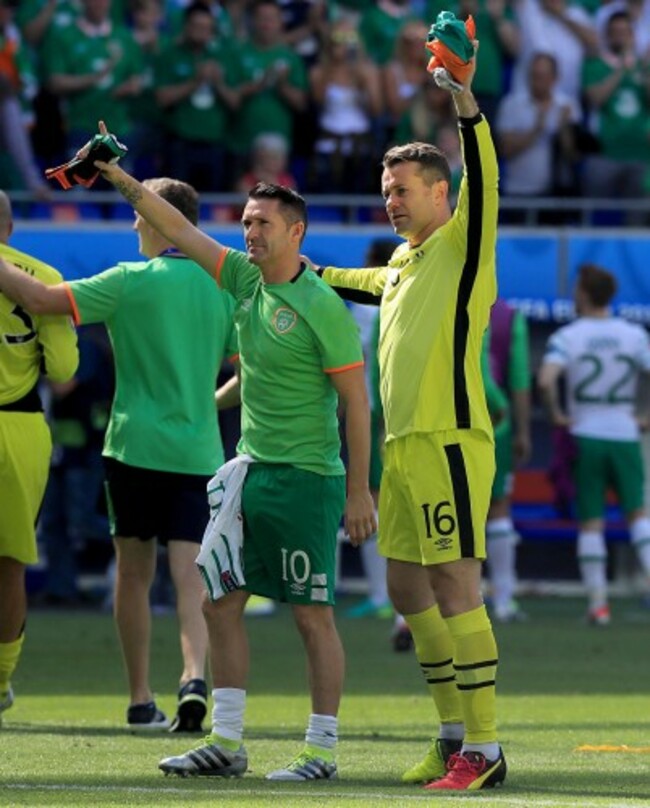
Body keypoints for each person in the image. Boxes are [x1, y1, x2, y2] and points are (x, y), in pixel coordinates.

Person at [91, 148, 376, 779]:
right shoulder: (242, 281)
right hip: (249, 472)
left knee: (311, 615)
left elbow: (357, 406)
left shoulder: (322, 305)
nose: (249, 233)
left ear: (295, 232)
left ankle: (321, 751)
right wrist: (117, 178)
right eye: (246, 222)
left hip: (306, 480)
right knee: (219, 603)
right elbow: (180, 229)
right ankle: (227, 743)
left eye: (263, 224)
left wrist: (360, 491)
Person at [314, 39, 506, 791]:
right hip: (402, 451)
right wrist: (290, 269)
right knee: (403, 589)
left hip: (450, 445)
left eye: (403, 188)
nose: (391, 199)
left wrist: (463, 100)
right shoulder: (399, 265)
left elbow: (486, 174)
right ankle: (453, 736)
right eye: (385, 188)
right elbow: (344, 280)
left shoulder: (464, 243)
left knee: (457, 586)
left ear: (440, 193)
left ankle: (485, 753)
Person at [0, 177, 238, 733]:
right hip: (198, 447)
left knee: (132, 575)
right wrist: (209, 400)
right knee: (189, 574)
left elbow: (37, 299)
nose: (133, 223)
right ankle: (193, 677)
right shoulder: (222, 288)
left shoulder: (129, 281)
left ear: (157, 217)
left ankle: (138, 698)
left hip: (132, 445)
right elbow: (246, 370)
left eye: (138, 214)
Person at [0, 190, 79, 725]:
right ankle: (1, 680)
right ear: (9, 224)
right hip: (17, 428)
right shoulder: (41, 275)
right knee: (9, 565)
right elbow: (64, 369)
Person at [538, 263, 650, 626]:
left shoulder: (568, 336)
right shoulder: (633, 334)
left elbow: (545, 380)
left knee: (591, 523)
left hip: (585, 433)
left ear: (584, 293)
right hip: (625, 433)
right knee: (639, 517)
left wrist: (557, 413)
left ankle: (599, 606)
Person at [485, 299, 532, 623]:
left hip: (448, 422)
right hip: (495, 423)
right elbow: (518, 381)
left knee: (460, 511)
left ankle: (465, 599)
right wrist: (523, 431)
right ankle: (504, 600)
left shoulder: (442, 300)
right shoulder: (508, 316)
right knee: (498, 506)